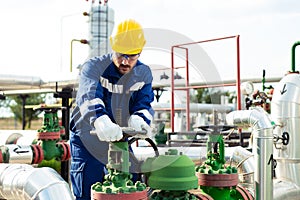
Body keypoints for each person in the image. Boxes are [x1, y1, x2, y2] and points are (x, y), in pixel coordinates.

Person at [69, 19, 155, 200]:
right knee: (88, 190)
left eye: (131, 56)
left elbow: (144, 103)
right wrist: (100, 120)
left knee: (129, 185)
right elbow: (88, 97)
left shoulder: (143, 74)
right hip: (88, 137)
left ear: (139, 53)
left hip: (119, 138)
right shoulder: (93, 67)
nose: (125, 61)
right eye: (121, 54)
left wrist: (140, 120)